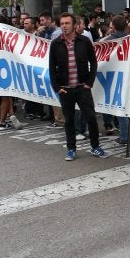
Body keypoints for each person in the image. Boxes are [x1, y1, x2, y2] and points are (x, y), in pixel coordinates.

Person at [48, 12, 107, 161]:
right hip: (65, 89)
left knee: (91, 118)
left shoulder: (84, 41)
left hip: (82, 88)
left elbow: (93, 62)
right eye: (62, 24)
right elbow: (51, 67)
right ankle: (71, 149)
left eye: (67, 23)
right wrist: (57, 88)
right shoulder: (55, 43)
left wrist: (89, 83)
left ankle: (95, 146)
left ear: (74, 25)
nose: (64, 26)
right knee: (69, 120)